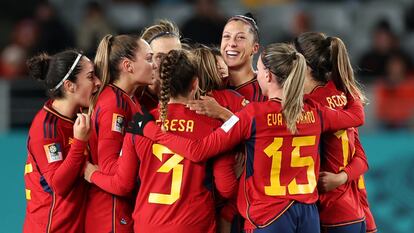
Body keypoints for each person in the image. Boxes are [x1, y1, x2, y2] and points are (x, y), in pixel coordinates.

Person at [129, 43, 365, 233]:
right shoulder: (315, 113)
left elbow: (199, 150)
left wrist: (152, 131)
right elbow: (356, 116)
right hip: (307, 216)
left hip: (269, 218)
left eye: (259, 70)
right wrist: (347, 85)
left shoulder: (252, 115)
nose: (256, 75)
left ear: (269, 76)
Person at [84, 49, 238, 233]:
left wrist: (91, 173)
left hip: (148, 225)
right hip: (194, 224)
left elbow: (123, 184)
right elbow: (226, 188)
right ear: (195, 84)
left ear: (162, 83)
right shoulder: (212, 125)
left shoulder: (140, 125)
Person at [294, 32, 371, 233]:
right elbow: (361, 158)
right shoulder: (342, 95)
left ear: (302, 63)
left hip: (330, 211)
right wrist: (342, 177)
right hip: (354, 211)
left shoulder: (311, 105)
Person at [23, 50, 101, 232]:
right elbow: (59, 185)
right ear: (69, 86)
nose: (97, 82)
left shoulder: (78, 116)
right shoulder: (46, 128)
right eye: (90, 77)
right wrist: (79, 143)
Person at [85, 34, 155, 233]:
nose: (154, 65)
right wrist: (91, 174)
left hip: (123, 210)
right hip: (111, 214)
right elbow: (110, 167)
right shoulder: (114, 104)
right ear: (128, 65)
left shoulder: (128, 99)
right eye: (149, 59)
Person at [136, 19, 182, 111]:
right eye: (160, 57)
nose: (168, 62)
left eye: (175, 55)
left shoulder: (192, 96)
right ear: (147, 59)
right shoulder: (135, 98)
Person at [221, 13, 266, 102]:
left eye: (240, 37)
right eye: (227, 36)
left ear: (255, 48)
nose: (232, 43)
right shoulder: (213, 86)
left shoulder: (267, 90)